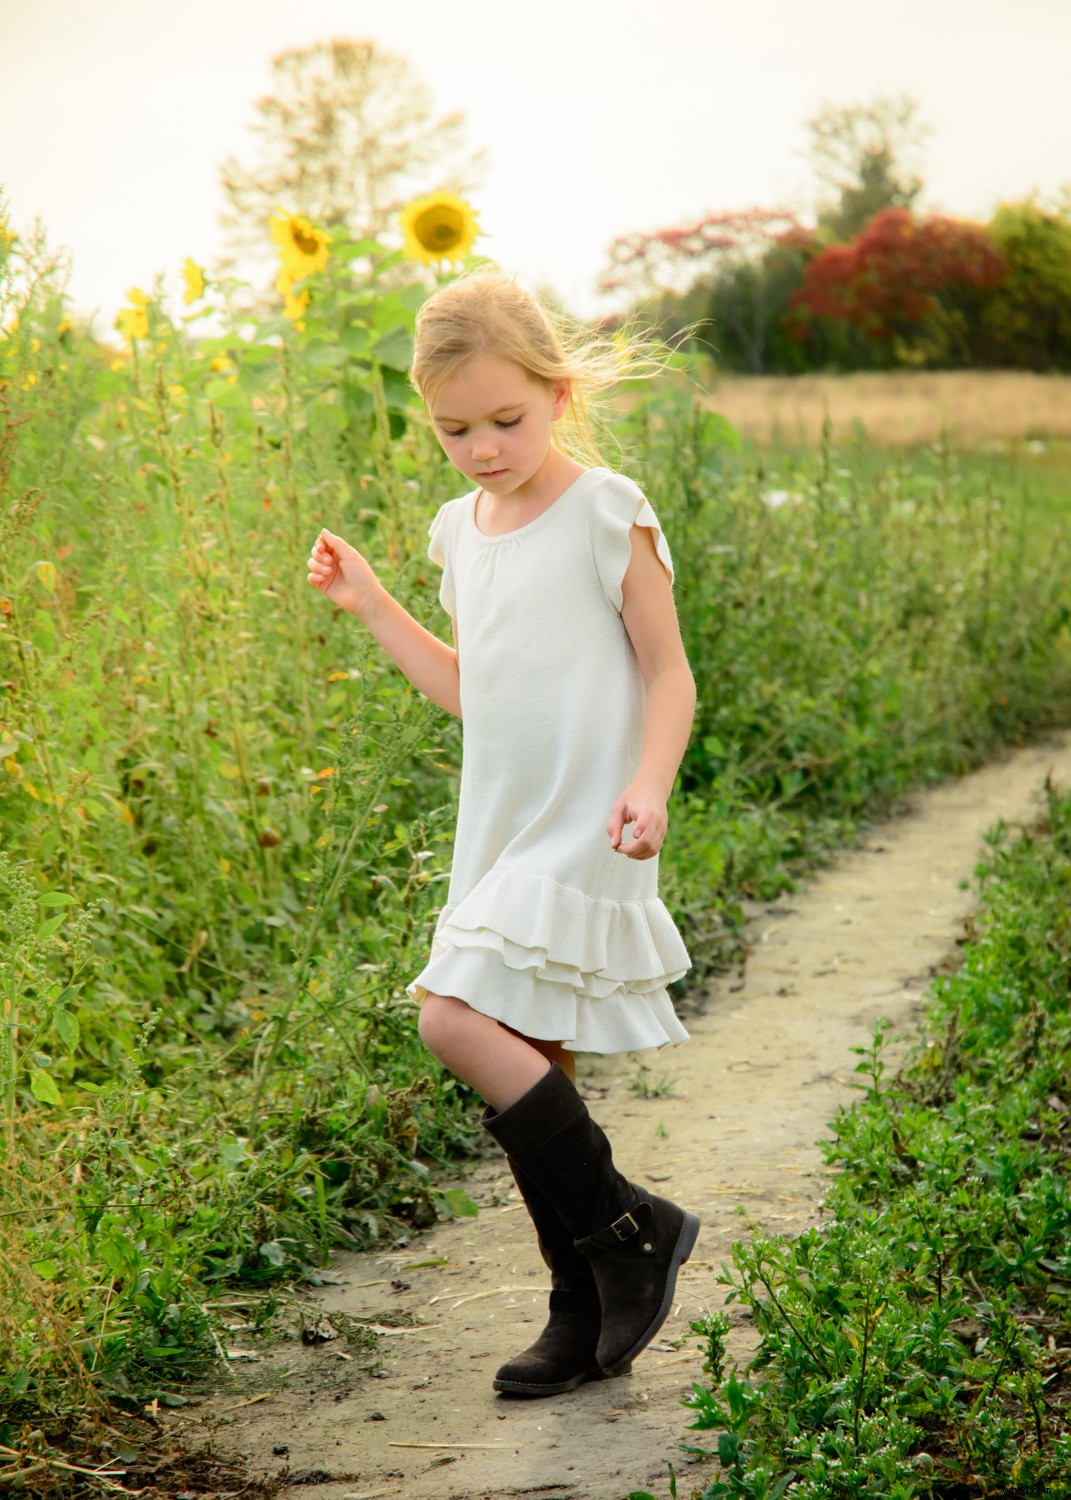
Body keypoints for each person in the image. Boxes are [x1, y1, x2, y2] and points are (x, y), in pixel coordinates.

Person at [305, 270, 699, 1399]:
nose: (483, 448)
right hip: (503, 826)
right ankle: (586, 1307)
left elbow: (668, 672)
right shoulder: (461, 534)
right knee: (536, 1069)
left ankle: (634, 1232)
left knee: (450, 1016)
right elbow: (480, 691)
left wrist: (652, 786)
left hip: (594, 820)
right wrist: (377, 605)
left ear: (558, 390)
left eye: (506, 421)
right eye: (455, 430)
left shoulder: (605, 509)